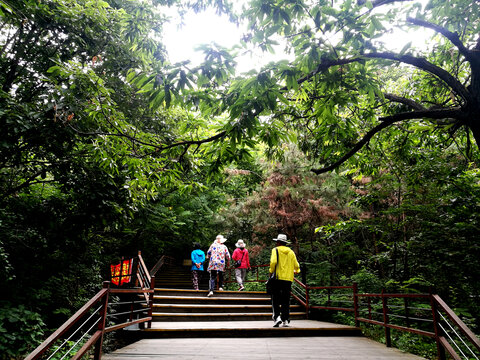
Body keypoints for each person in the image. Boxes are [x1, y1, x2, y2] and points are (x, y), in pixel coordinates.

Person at [269, 233, 300, 328]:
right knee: (286, 300)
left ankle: (277, 317)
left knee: (275, 298)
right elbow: (297, 266)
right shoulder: (291, 252)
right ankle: (285, 319)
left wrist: (271, 271)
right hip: (288, 279)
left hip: (277, 278)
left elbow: (273, 262)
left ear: (278, 242)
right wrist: (297, 271)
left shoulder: (275, 250)